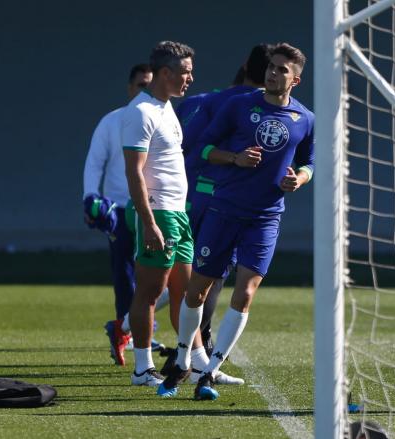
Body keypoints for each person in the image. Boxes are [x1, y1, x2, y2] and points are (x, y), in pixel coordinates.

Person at [157, 43, 315, 400]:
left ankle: (209, 373)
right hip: (224, 209)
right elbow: (204, 149)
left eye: (281, 70)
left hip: (266, 217)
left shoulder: (305, 119)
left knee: (246, 292)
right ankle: (182, 359)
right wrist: (235, 158)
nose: (273, 73)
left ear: (296, 79)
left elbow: (310, 162)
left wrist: (300, 179)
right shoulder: (239, 105)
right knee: (198, 289)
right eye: (271, 67)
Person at [178, 43, 272, 385]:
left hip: (189, 196)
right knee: (204, 279)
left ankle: (187, 356)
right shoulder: (249, 107)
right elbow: (198, 148)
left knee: (189, 275)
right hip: (219, 202)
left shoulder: (200, 101)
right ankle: (192, 360)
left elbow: (180, 147)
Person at [121, 41, 196, 387]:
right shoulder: (141, 112)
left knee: (189, 292)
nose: (190, 79)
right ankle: (142, 368)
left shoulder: (166, 107)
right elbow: (134, 173)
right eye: (185, 72)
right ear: (165, 73)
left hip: (178, 213)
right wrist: (148, 222)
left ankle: (193, 361)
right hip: (158, 213)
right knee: (149, 292)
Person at [82, 63, 156, 367]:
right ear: (130, 88)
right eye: (140, 85)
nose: (144, 91)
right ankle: (129, 332)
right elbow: (94, 162)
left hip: (156, 208)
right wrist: (90, 198)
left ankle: (130, 325)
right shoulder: (112, 121)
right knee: (125, 273)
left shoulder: (165, 118)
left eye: (149, 85)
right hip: (120, 209)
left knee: (164, 274)